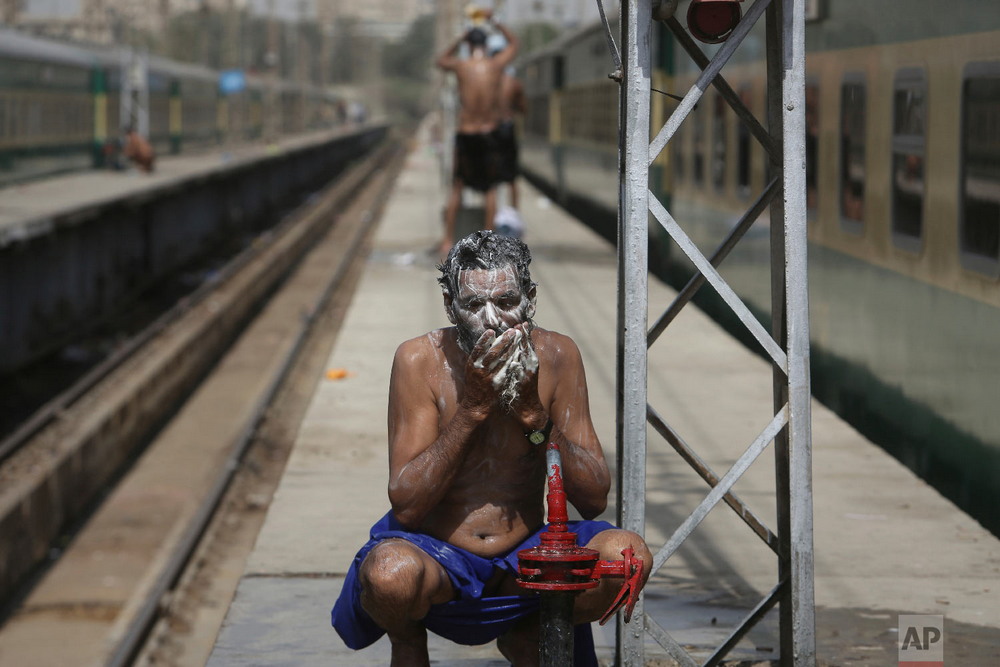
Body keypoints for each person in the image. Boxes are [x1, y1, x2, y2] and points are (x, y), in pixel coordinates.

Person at [331, 231, 652, 666]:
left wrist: (536, 420)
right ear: (450, 306)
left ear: (530, 299)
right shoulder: (419, 360)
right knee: (391, 576)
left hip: (525, 554)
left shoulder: (557, 355)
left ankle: (531, 633)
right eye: (473, 305)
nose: (492, 320)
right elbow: (406, 505)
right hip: (435, 555)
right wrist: (472, 411)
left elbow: (593, 498)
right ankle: (408, 643)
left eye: (505, 302)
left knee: (626, 557)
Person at [435, 11, 519, 256]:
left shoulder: (461, 66)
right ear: (485, 45)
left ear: (469, 45)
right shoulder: (495, 66)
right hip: (488, 133)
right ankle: (489, 240)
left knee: (458, 187)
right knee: (491, 189)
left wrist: (459, 37)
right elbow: (515, 44)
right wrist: (496, 21)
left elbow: (440, 60)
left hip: (466, 132)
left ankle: (447, 239)